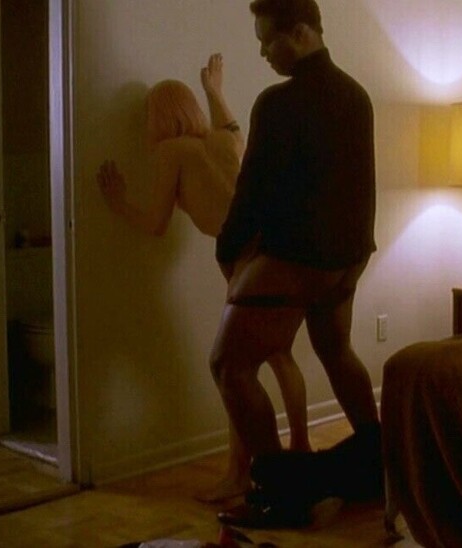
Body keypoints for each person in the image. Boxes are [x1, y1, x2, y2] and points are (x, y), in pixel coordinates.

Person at [96, 54, 311, 503]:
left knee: (234, 370)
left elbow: (156, 224)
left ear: (159, 118)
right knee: (279, 354)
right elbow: (232, 126)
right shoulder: (224, 141)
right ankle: (300, 448)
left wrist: (118, 203)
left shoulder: (172, 151)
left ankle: (239, 474)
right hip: (280, 248)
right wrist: (214, 91)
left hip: (246, 262)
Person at [211, 0, 382, 529]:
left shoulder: (277, 103)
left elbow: (253, 190)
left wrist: (227, 250)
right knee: (335, 349)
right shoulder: (356, 95)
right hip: (346, 259)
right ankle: (379, 469)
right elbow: (361, 186)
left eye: (269, 40)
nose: (263, 52)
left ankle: (281, 495)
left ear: (302, 32)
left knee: (229, 365)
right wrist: (357, 253)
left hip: (296, 258)